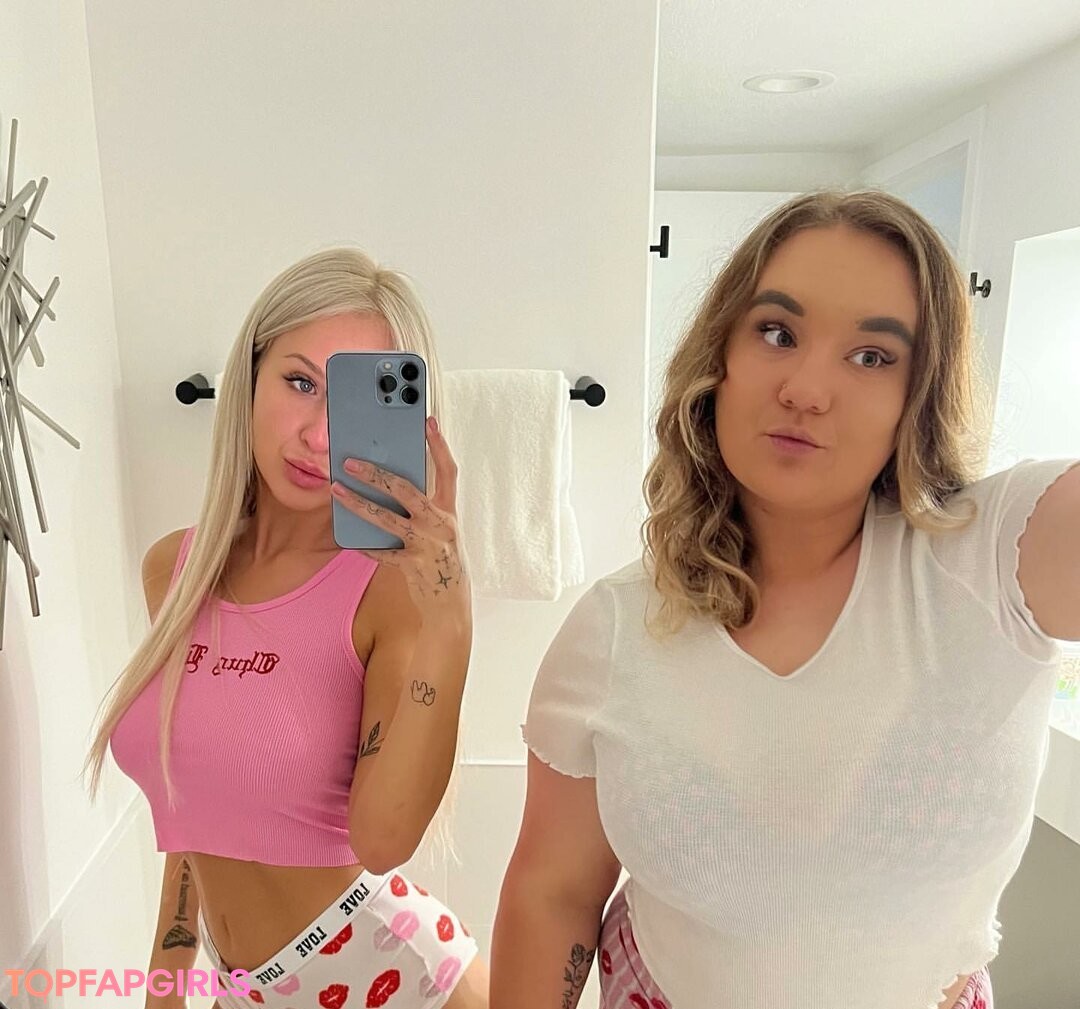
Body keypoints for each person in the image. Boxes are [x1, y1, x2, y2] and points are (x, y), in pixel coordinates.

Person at [490, 190, 1080, 1009]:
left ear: (920, 393)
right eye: (777, 332)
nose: (806, 388)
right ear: (719, 358)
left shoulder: (995, 558)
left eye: (872, 355)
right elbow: (553, 891)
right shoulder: (612, 628)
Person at [83, 248, 487, 1009]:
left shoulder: (387, 591)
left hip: (387, 975)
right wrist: (165, 987)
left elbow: (383, 840)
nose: (319, 436)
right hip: (245, 988)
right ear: (250, 378)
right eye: (300, 383)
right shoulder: (176, 569)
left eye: (353, 403)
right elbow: (193, 804)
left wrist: (451, 620)